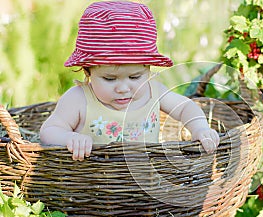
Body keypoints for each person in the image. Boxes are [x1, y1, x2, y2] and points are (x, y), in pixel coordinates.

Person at [40, 1, 220, 161]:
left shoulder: (153, 91)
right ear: (87, 71)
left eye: (135, 77)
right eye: (109, 79)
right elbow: (49, 131)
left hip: (144, 184)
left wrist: (200, 129)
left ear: (148, 68)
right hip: (92, 186)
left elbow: (185, 107)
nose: (123, 88)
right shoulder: (79, 98)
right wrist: (69, 139)